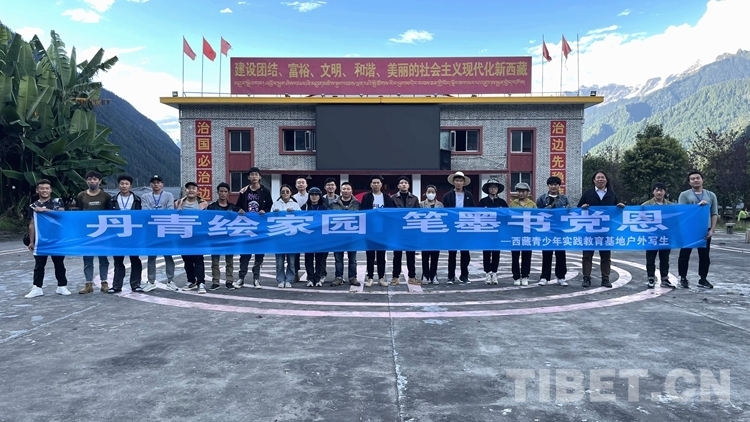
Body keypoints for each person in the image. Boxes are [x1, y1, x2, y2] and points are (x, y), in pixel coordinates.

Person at [577, 170, 626, 288]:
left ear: (606, 180)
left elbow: (616, 212)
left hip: (606, 231)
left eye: (602, 177)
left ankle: (605, 279)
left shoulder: (611, 194)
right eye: (598, 177)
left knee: (605, 256)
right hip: (589, 230)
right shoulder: (588, 194)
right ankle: (586, 278)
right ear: (594, 180)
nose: (600, 179)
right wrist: (582, 208)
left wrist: (621, 208)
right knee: (587, 255)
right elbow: (578, 210)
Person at [25, 179, 69, 298]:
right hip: (41, 240)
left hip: (56, 239)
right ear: (37, 190)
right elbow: (32, 224)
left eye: (47, 188)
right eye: (42, 188)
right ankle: (37, 287)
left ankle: (62, 286)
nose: (44, 190)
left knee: (59, 263)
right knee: (39, 264)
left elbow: (61, 215)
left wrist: (44, 210)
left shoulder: (57, 202)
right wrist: (32, 241)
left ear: (50, 190)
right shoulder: (33, 206)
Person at [677, 170, 719, 289]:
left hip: (705, 229)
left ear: (702, 180)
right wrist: (697, 206)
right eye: (692, 179)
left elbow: (714, 213)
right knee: (685, 254)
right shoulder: (684, 195)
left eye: (698, 178)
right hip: (689, 229)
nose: (695, 180)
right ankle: (683, 278)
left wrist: (712, 230)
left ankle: (703, 279)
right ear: (689, 182)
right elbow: (682, 212)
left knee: (704, 255)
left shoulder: (711, 195)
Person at [141, 175, 179, 292]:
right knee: (151, 256)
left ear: (162, 184)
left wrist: (155, 214)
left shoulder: (169, 195)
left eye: (158, 182)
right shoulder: (145, 196)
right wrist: (160, 213)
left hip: (165, 229)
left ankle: (170, 280)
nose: (156, 184)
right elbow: (145, 211)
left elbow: (170, 210)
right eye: (154, 182)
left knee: (168, 255)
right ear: (150, 185)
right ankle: (151, 281)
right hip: (151, 230)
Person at [236, 167, 273, 289]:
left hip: (260, 227)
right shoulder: (244, 191)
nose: (254, 177)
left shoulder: (265, 191)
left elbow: (270, 206)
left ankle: (256, 278)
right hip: (247, 226)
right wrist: (240, 210)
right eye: (251, 175)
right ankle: (241, 278)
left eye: (256, 174)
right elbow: (237, 206)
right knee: (245, 254)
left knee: (259, 255)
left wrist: (265, 211)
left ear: (260, 177)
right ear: (248, 177)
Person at [76, 171, 111, 294]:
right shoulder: (81, 195)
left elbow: (110, 214)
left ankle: (104, 282)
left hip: (102, 232)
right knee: (87, 258)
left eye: (95, 179)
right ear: (86, 181)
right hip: (87, 232)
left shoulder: (106, 196)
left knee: (103, 258)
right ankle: (88, 284)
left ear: (99, 181)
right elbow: (79, 213)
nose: (92, 181)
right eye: (90, 179)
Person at [109, 174, 144, 293]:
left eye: (126, 184)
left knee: (135, 259)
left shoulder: (138, 200)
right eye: (122, 184)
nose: (124, 186)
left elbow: (142, 216)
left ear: (131, 186)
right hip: (117, 234)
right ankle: (116, 285)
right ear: (118, 185)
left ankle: (136, 284)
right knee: (118, 260)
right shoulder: (112, 200)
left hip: (134, 234)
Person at [207, 182, 245, 290]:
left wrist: (242, 212)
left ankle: (229, 281)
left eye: (225, 191)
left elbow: (241, 218)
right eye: (221, 191)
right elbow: (206, 220)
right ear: (218, 192)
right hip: (216, 238)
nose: (223, 193)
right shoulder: (211, 207)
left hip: (229, 238)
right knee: (215, 262)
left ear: (228, 193)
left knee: (230, 261)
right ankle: (215, 282)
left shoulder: (233, 208)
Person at [360, 175, 394, 287]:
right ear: (371, 185)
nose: (376, 184)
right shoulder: (366, 197)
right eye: (374, 183)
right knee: (370, 255)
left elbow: (391, 213)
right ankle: (370, 277)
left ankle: (381, 277)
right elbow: (363, 212)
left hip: (382, 231)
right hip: (370, 231)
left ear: (381, 184)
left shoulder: (387, 197)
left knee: (381, 255)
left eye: (377, 182)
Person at [536, 176, 569, 287]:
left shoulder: (564, 199)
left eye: (555, 184)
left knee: (561, 254)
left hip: (560, 230)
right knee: (546, 254)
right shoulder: (542, 199)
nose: (553, 186)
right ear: (548, 186)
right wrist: (544, 211)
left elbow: (569, 213)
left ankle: (561, 277)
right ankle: (544, 277)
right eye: (551, 184)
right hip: (546, 230)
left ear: (559, 186)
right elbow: (536, 214)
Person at [642, 183, 677, 289]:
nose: (659, 192)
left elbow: (675, 220)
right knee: (650, 259)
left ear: (665, 192)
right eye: (656, 190)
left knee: (665, 259)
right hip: (651, 236)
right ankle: (651, 278)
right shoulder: (646, 205)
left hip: (665, 237)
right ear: (653, 192)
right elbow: (640, 220)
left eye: (661, 190)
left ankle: (664, 279)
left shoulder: (671, 206)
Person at [442, 171, 475, 284]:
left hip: (465, 227)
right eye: (457, 180)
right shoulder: (447, 196)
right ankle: (451, 276)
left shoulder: (469, 195)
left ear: (464, 182)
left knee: (465, 253)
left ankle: (464, 275)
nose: (459, 183)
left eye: (461, 181)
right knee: (452, 253)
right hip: (452, 227)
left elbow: (472, 211)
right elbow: (444, 212)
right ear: (453, 182)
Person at [176, 181, 208, 293]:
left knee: (198, 259)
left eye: (193, 188)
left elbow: (206, 219)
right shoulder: (179, 203)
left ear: (197, 191)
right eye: (188, 188)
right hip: (183, 235)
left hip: (197, 236)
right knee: (187, 260)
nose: (191, 190)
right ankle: (191, 280)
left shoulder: (203, 204)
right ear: (185, 191)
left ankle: (201, 282)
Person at [329, 182, 361, 286]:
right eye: (344, 189)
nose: (346, 191)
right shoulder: (333, 204)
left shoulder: (357, 204)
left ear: (351, 191)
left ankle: (353, 277)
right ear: (340, 190)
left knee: (352, 259)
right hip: (338, 236)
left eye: (348, 189)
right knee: (338, 259)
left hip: (352, 236)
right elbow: (328, 219)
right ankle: (338, 277)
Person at [390, 176, 420, 285]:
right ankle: (395, 277)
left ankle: (412, 276)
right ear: (398, 185)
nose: (403, 184)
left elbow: (418, 214)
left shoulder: (414, 199)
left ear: (409, 185)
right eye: (401, 183)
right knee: (397, 255)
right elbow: (390, 214)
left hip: (410, 230)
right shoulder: (393, 198)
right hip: (397, 231)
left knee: (411, 255)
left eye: (406, 183)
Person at [479, 178, 508, 285]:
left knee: (496, 253)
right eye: (491, 187)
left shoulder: (502, 202)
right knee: (486, 253)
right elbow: (477, 215)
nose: (493, 189)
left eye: (495, 187)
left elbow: (507, 216)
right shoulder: (482, 202)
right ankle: (487, 273)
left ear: (498, 189)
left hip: (498, 232)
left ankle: (494, 273)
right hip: (486, 231)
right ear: (487, 189)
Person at [271, 184, 301, 288]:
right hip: (279, 237)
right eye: (283, 192)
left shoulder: (295, 205)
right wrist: (274, 214)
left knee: (291, 261)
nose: (285, 193)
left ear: (291, 193)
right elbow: (269, 220)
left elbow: (301, 219)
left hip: (291, 237)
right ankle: (280, 280)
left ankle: (289, 279)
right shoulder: (275, 204)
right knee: (279, 262)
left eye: (287, 191)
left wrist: (295, 213)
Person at [509, 182, 536, 286]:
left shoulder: (532, 204)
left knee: (527, 256)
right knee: (515, 257)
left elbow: (536, 218)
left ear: (528, 192)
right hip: (515, 234)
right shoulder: (512, 204)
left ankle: (525, 276)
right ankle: (516, 277)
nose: (521, 193)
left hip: (527, 234)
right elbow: (508, 218)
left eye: (523, 191)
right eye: (519, 191)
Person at [301, 187, 328, 287]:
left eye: (316, 195)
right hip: (308, 237)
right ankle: (310, 278)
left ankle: (318, 278)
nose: (314, 197)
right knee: (308, 259)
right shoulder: (305, 207)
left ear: (320, 196)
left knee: (320, 260)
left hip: (320, 238)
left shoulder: (324, 207)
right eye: (312, 195)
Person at [419, 185, 443, 285]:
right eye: (429, 192)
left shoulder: (440, 205)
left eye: (432, 192)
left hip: (436, 234)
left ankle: (433, 275)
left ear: (436, 193)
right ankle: (425, 275)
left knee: (435, 256)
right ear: (425, 193)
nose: (431, 194)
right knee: (425, 256)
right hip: (425, 234)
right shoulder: (421, 204)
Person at [320, 177, 339, 281]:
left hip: (337, 231)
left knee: (338, 255)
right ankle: (322, 274)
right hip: (324, 231)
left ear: (335, 187)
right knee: (323, 255)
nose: (330, 187)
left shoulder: (340, 199)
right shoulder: (321, 199)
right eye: (328, 185)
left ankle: (339, 276)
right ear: (325, 187)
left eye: (332, 185)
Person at [292, 176, 309, 283]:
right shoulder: (292, 198)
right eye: (299, 183)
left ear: (306, 185)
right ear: (296, 185)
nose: (301, 184)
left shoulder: (311, 196)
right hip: (296, 228)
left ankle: (309, 272)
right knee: (295, 252)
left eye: (303, 182)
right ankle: (295, 272)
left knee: (309, 252)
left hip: (309, 228)